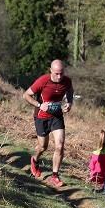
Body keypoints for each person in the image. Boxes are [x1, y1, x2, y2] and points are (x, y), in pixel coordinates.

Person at [23, 59, 74, 187]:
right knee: (43, 147)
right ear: (51, 71)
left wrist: (69, 103)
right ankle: (35, 160)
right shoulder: (43, 80)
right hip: (42, 117)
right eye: (56, 73)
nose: (59, 76)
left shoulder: (67, 81)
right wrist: (40, 105)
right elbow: (26, 95)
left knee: (60, 145)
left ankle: (55, 175)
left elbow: (70, 91)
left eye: (61, 73)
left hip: (57, 116)